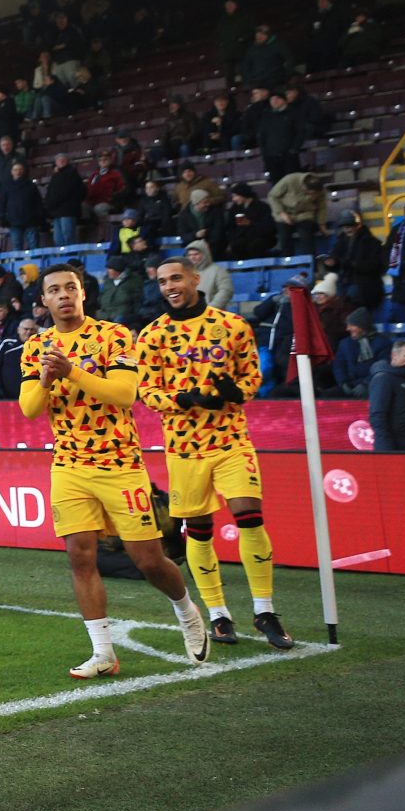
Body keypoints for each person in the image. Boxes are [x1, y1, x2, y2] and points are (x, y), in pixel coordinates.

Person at [18, 263, 211, 678]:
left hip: (120, 464)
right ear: (44, 301)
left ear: (83, 293)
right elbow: (30, 409)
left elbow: (124, 394)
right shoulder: (36, 347)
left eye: (71, 287)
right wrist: (48, 379)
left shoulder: (113, 335)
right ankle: (103, 652)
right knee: (80, 557)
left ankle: (186, 610)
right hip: (69, 466)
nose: (65, 295)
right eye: (55, 290)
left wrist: (72, 371)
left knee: (148, 561)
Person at [136, 258, 293, 649]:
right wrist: (182, 398)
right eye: (162, 281)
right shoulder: (152, 335)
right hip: (184, 450)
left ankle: (265, 611)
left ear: (195, 278)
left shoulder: (233, 325)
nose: (170, 286)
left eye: (176, 278)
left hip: (230, 442)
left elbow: (251, 376)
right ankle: (219, 615)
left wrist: (235, 393)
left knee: (250, 517)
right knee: (200, 532)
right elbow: (148, 391)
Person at [268, 170, 326, 257]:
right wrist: (281, 213)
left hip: (305, 214)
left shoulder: (321, 190)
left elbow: (322, 207)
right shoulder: (289, 180)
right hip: (284, 213)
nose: (311, 195)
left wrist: (321, 224)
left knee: (307, 236)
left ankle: (310, 262)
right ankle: (288, 264)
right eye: (310, 192)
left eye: (314, 193)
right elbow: (272, 196)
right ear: (304, 186)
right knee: (285, 237)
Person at [334, 309, 381, 399]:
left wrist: (366, 384)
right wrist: (343, 382)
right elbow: (338, 365)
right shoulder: (345, 343)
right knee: (327, 395)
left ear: (362, 326)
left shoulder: (382, 343)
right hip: (349, 384)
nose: (347, 328)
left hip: (372, 386)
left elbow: (381, 370)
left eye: (352, 325)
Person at [371, 341, 405, 451]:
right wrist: (386, 450)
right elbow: (377, 415)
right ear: (394, 356)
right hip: (395, 446)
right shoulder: (383, 378)